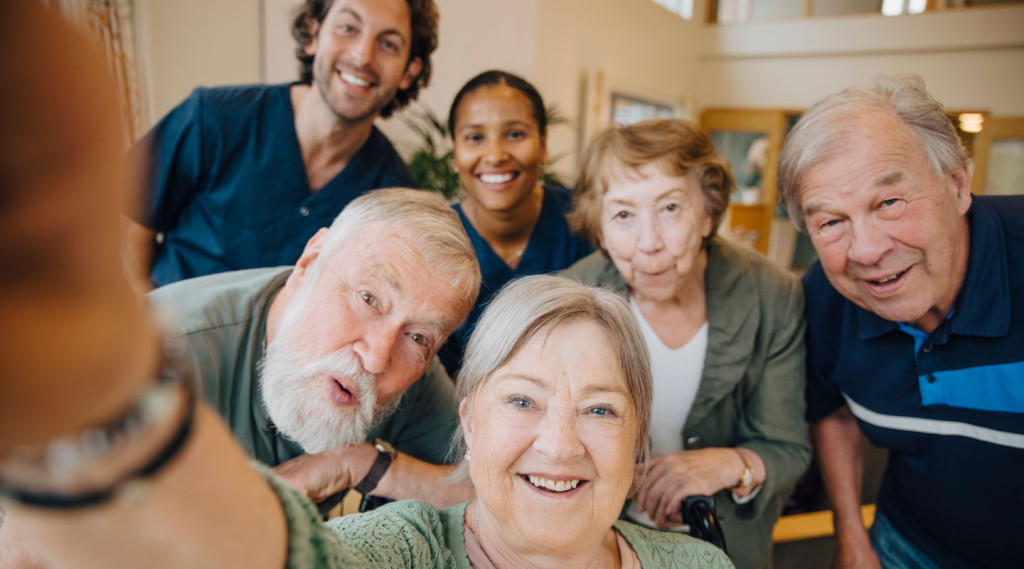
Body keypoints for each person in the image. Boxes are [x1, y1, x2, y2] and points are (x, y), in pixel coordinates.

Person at [777, 74, 1024, 569]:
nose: (867, 251)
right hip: (906, 543)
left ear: (956, 186)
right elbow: (834, 412)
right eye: (830, 222)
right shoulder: (825, 298)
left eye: (889, 203)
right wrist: (851, 534)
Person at [326, 275, 735, 568]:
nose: (560, 445)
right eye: (522, 401)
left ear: (635, 436)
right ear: (470, 422)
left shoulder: (701, 563)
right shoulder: (391, 551)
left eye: (599, 410)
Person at [563, 119, 810, 569]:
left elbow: (788, 449)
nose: (649, 243)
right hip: (593, 545)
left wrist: (729, 462)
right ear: (599, 226)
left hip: (725, 548)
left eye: (671, 208)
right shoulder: (568, 297)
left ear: (709, 213)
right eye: (623, 215)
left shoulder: (772, 295)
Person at [147, 187, 480, 509]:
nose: (377, 358)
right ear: (309, 263)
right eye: (369, 299)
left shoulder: (410, 377)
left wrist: (360, 463)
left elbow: (493, 496)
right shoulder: (159, 355)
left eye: (419, 337)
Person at [122, 0, 439, 290]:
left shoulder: (394, 198)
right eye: (348, 28)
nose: (362, 56)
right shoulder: (213, 118)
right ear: (313, 34)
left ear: (409, 71)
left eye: (388, 43)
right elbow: (123, 224)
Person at [436, 70, 592, 375]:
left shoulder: (587, 220)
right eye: (475, 138)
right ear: (455, 149)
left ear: (543, 144)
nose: (494, 155)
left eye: (515, 134)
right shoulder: (434, 241)